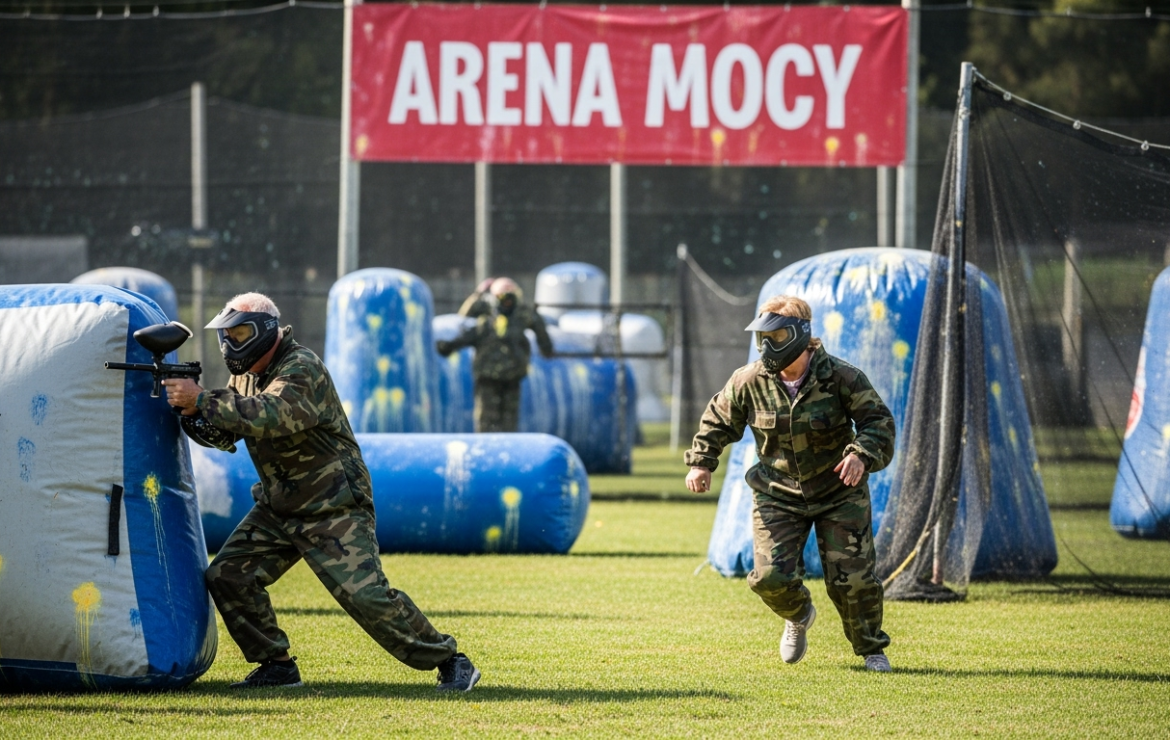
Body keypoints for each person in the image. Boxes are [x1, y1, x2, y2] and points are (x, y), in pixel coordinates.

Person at [163, 292, 479, 692]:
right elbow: (227, 433)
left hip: (333, 506)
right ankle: (276, 666)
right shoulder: (245, 375)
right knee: (229, 575)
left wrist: (203, 399)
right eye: (226, 334)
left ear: (265, 331)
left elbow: (272, 416)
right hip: (280, 504)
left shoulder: (301, 366)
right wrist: (189, 412)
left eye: (239, 333)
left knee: (368, 599)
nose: (229, 344)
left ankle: (451, 661)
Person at [683, 295, 896, 672]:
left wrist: (860, 454)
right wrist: (701, 463)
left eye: (776, 335)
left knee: (854, 582)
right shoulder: (749, 380)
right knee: (769, 578)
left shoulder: (842, 377)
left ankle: (871, 650)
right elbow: (717, 420)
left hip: (838, 493)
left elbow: (878, 423)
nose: (766, 345)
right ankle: (798, 615)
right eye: (762, 337)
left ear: (800, 335)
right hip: (776, 493)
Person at [436, 277, 554, 433]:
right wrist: (478, 294)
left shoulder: (521, 313)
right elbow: (463, 319)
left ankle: (503, 450)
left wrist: (546, 349)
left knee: (507, 421)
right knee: (488, 420)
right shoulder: (486, 313)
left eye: (509, 293)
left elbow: (541, 332)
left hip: (511, 375)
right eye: (502, 294)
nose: (506, 298)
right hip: (488, 376)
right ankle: (490, 450)